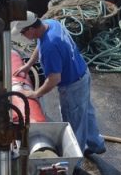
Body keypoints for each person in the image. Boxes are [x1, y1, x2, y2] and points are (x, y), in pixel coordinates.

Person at [11, 11, 106, 157]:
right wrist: (29, 64)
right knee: (86, 113)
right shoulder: (50, 24)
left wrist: (35, 94)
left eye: (23, 33)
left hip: (72, 86)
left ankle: (75, 164)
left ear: (31, 29)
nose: (23, 36)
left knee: (74, 127)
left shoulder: (50, 47)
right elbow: (40, 44)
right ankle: (96, 144)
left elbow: (54, 79)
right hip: (83, 73)